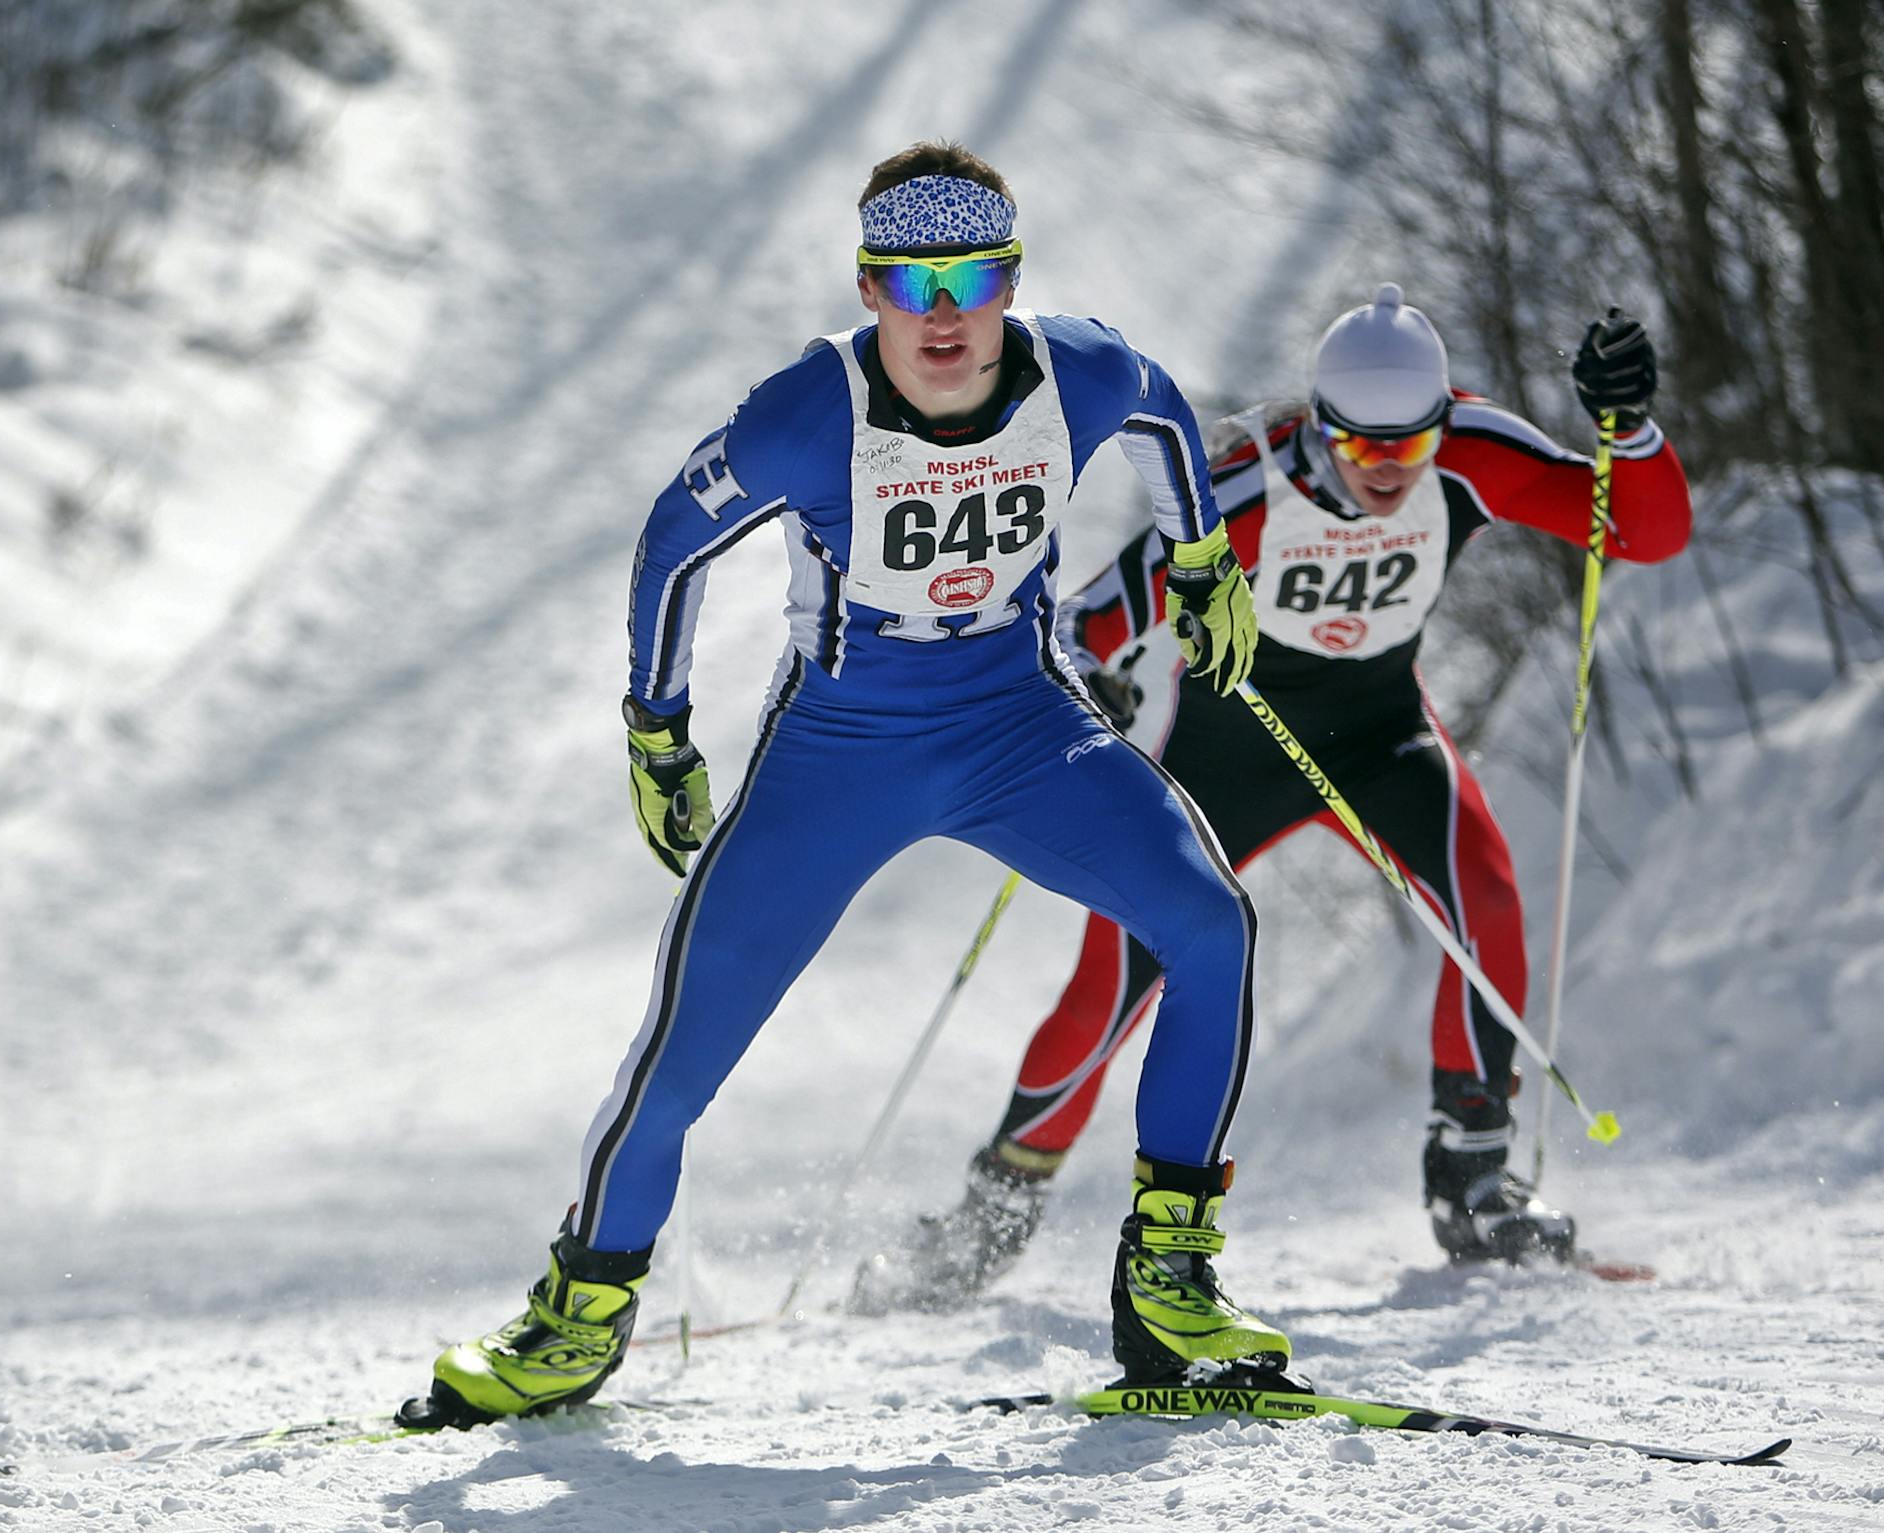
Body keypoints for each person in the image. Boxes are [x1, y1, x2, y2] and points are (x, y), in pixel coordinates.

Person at [401, 142, 1296, 1427]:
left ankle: (1168, 1285)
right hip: (842, 749)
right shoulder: (805, 411)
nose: (943, 313)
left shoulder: (1081, 369)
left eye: (972, 276)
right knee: (681, 1053)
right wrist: (659, 730)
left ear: (1010, 281)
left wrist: (1202, 555)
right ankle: (576, 1318)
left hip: (1017, 725)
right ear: (869, 288)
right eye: (911, 280)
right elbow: (674, 538)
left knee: (1210, 924)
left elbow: (1161, 411)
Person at [853, 285, 1690, 1313]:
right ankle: (989, 1217)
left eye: (1410, 452)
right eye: (1362, 451)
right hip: (1223, 754)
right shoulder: (1244, 493)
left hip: (1379, 736)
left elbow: (1641, 531)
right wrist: (1091, 682)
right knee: (1115, 981)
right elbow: (1080, 628)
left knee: (1487, 898)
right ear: (1317, 427)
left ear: (1440, 424)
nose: (1387, 475)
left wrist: (1633, 431)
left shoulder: (1471, 452)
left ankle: (1474, 1184)